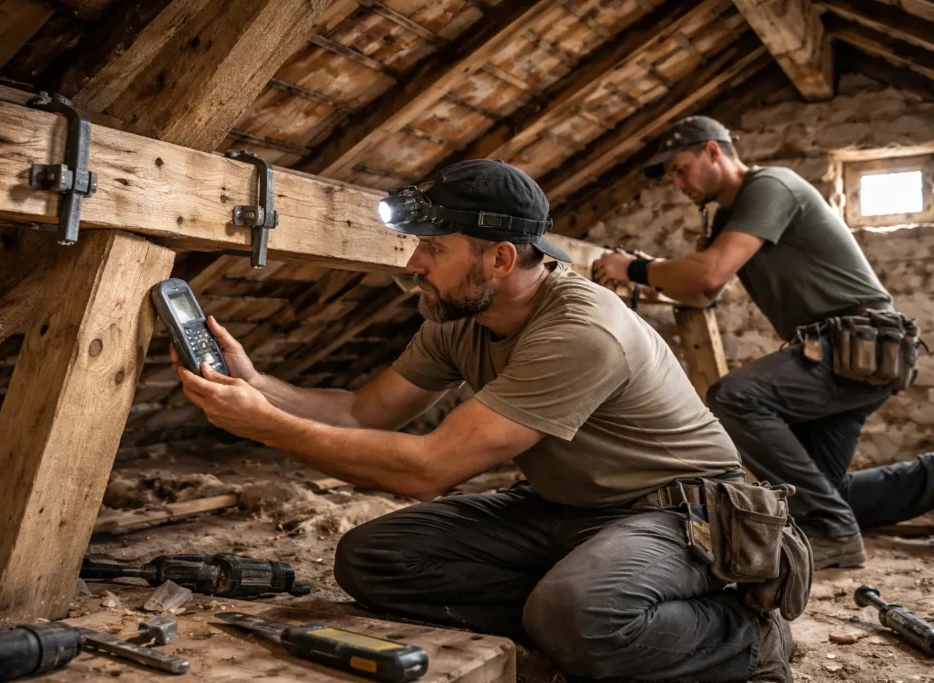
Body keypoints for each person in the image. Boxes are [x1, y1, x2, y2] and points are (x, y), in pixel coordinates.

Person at [174, 159, 799, 681]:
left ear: (500, 259)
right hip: (565, 507)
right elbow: (364, 411)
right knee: (374, 559)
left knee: (578, 616)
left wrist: (266, 426)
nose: (414, 264)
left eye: (433, 248)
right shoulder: (458, 318)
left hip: (679, 514)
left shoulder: (581, 330)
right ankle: (575, 615)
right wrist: (256, 386)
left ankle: (746, 637)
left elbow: (428, 470)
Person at [592, 116, 933, 571]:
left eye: (680, 169)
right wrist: (645, 272)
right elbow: (702, 292)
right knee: (819, 493)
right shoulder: (728, 217)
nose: (677, 183)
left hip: (857, 345)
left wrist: (632, 268)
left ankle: (835, 533)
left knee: (735, 396)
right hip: (848, 352)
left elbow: (708, 274)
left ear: (713, 151)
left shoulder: (770, 185)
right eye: (671, 176)